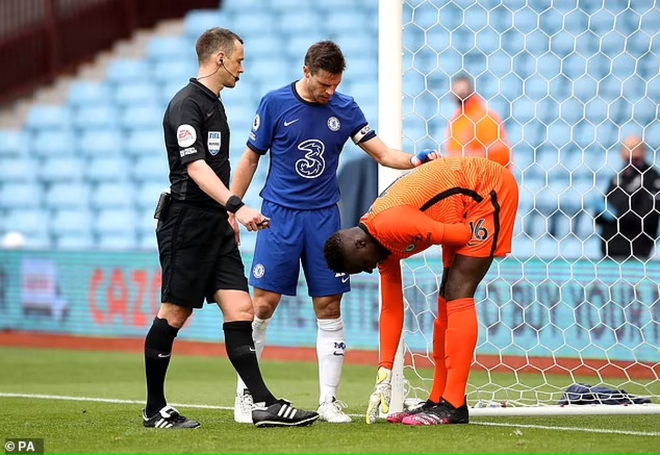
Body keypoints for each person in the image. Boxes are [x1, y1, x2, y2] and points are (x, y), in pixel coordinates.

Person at [229, 40, 438, 424]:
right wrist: (233, 206)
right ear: (307, 71)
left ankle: (329, 401)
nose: (330, 92)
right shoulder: (274, 104)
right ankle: (247, 395)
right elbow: (250, 158)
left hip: (325, 218)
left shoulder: (345, 107)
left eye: (336, 85)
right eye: (324, 85)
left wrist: (414, 160)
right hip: (279, 216)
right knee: (262, 305)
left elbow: (383, 154)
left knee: (329, 306)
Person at [142, 27, 318, 429]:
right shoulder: (186, 104)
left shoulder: (214, 103)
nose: (242, 67)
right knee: (174, 311)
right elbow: (196, 166)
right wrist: (235, 207)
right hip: (186, 222)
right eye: (239, 59)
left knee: (241, 308)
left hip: (214, 224)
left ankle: (262, 404)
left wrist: (225, 218)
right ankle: (155, 410)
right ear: (219, 58)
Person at [323, 156, 519, 426]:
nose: (370, 270)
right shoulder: (378, 246)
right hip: (459, 206)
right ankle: (438, 398)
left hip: (486, 189)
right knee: (445, 299)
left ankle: (454, 405)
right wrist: (385, 370)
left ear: (360, 243)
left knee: (458, 291)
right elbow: (391, 309)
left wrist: (432, 230)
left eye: (364, 266)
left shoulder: (391, 225)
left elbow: (462, 235)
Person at [594, 135, 660, 260]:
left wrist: (617, 216)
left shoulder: (652, 179)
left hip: (636, 249)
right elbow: (603, 207)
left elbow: (648, 215)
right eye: (628, 158)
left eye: (635, 158)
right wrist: (601, 213)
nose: (631, 162)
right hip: (609, 250)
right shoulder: (619, 177)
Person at [444, 74, 512, 170]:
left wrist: (471, 157)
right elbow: (453, 151)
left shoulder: (486, 117)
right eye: (457, 91)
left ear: (472, 91)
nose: (460, 94)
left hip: (485, 176)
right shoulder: (456, 121)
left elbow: (500, 150)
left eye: (463, 91)